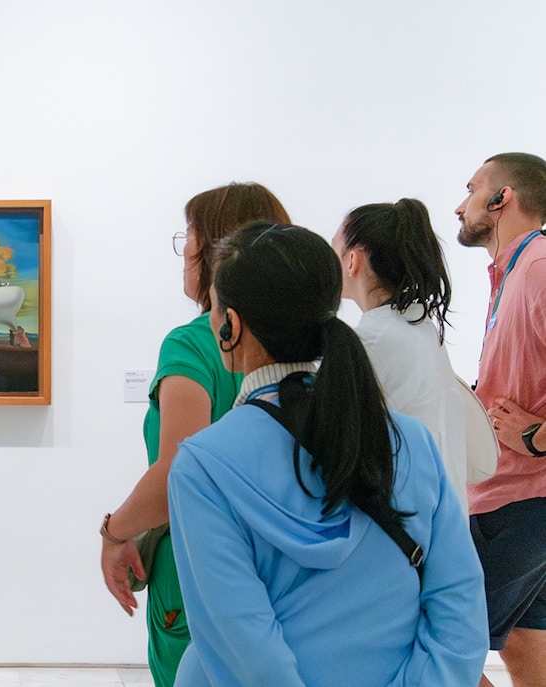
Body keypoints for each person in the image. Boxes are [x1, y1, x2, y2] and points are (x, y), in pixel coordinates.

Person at [167, 222, 487, 686]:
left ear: (230, 327)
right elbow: (460, 603)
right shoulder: (409, 442)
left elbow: (241, 640)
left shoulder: (203, 465)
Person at [99, 182, 289, 687]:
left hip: (202, 571)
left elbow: (178, 471)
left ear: (216, 249)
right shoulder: (312, 347)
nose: (184, 251)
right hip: (283, 570)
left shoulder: (193, 344)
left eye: (189, 237)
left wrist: (113, 533)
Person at [456, 152, 546, 686]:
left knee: (435, 649)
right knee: (521, 644)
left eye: (471, 189)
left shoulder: (537, 269)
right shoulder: (514, 270)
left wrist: (536, 437)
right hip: (516, 501)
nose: (459, 204)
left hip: (520, 502)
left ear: (501, 198)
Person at [332, 198, 484, 513]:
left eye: (333, 248)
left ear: (353, 261)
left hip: (406, 526)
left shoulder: (372, 341)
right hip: (444, 521)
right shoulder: (421, 329)